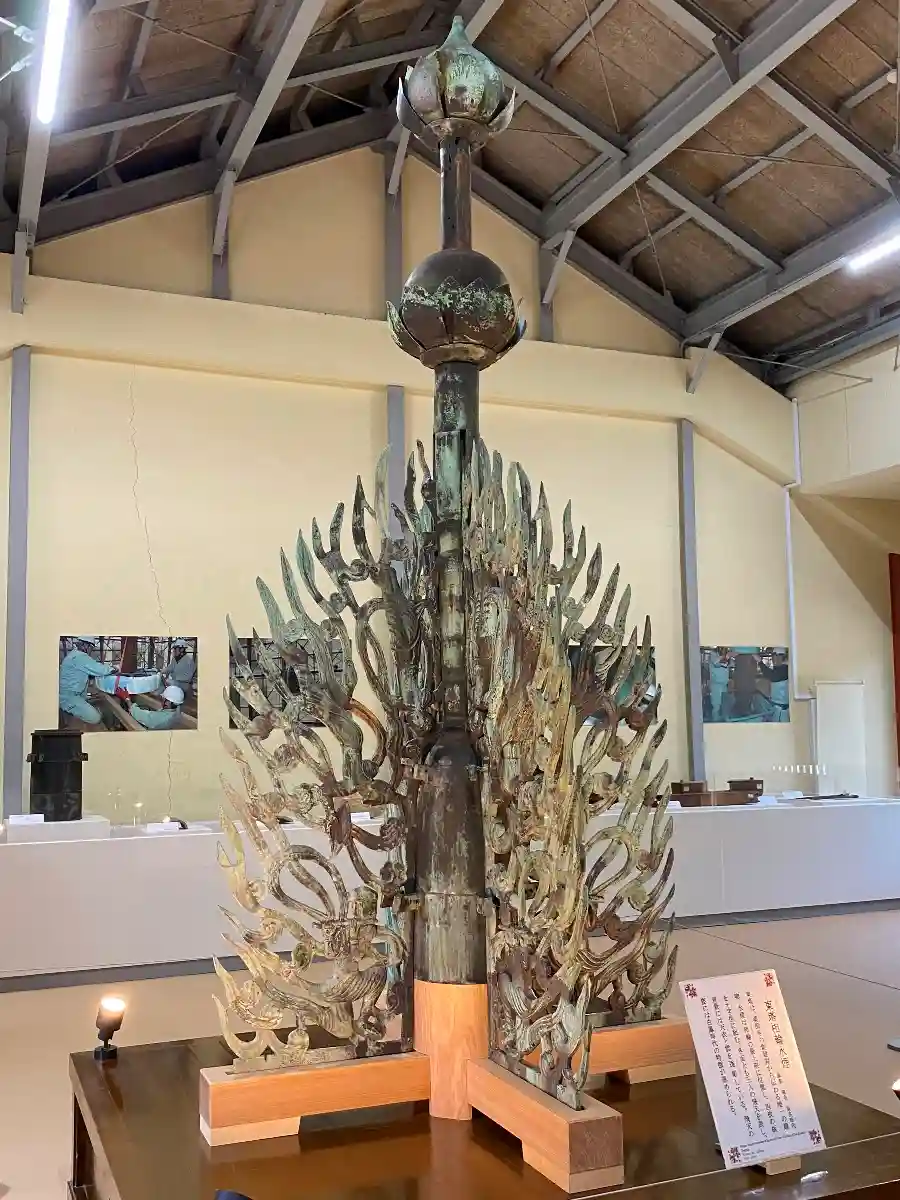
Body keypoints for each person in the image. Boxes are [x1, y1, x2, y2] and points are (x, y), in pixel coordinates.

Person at [59, 636, 116, 726]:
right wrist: (114, 669)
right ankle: (70, 712)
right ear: (85, 645)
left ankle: (78, 709)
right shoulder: (80, 657)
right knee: (96, 718)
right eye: (91, 647)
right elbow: (100, 670)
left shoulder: (74, 654)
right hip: (69, 698)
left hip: (72, 694)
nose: (91, 650)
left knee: (90, 703)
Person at [758, 650, 790, 722]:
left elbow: (771, 675)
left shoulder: (784, 669)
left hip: (781, 710)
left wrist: (760, 662)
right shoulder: (783, 668)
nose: (772, 658)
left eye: (774, 655)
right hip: (778, 708)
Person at [708, 648, 731, 723]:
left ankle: (724, 720)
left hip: (724, 684)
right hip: (716, 684)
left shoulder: (726, 655)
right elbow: (716, 663)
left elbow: (731, 664)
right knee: (716, 705)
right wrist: (725, 657)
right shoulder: (713, 654)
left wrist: (729, 657)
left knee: (724, 704)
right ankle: (715, 722)